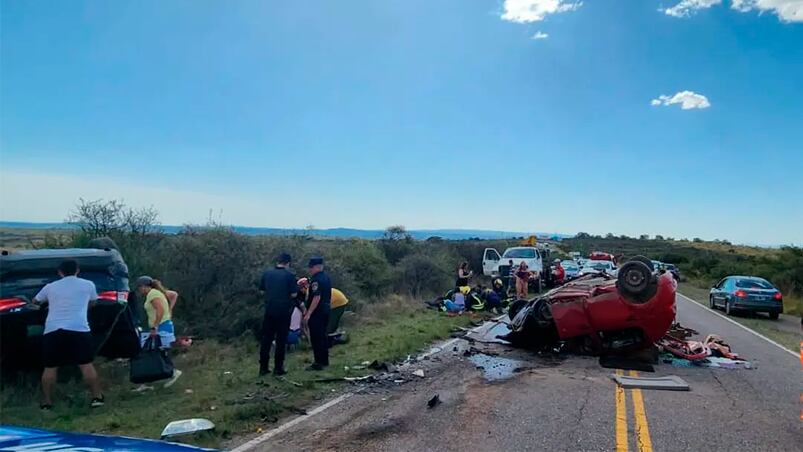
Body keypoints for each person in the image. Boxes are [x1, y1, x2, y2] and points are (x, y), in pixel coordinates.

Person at [34, 259, 104, 410]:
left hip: (53, 329)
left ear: (60, 272)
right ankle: (96, 397)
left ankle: (46, 402)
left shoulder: (50, 287)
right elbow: (94, 302)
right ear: (77, 270)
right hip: (79, 328)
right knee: (86, 365)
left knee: (50, 367)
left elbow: (36, 301)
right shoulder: (88, 284)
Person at [136, 276, 182, 387]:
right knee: (152, 352)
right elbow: (173, 295)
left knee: (158, 352)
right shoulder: (157, 293)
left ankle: (172, 372)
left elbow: (160, 310)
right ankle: (148, 381)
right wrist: (170, 309)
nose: (139, 290)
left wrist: (155, 327)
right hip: (162, 325)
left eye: (139, 287)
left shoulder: (153, 294)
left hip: (161, 326)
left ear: (144, 286)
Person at [258, 253, 298, 376]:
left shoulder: (267, 273)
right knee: (281, 340)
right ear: (288, 263)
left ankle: (263, 368)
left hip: (269, 310)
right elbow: (294, 295)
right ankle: (278, 368)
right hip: (283, 311)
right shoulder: (290, 275)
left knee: (266, 339)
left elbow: (261, 290)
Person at [304, 257, 332, 371]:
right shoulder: (326, 277)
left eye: (311, 267)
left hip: (317, 312)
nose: (309, 270)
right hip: (326, 310)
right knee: (323, 336)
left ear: (316, 267)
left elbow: (317, 296)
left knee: (316, 337)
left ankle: (318, 363)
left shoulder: (316, 280)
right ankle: (324, 361)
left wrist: (309, 313)